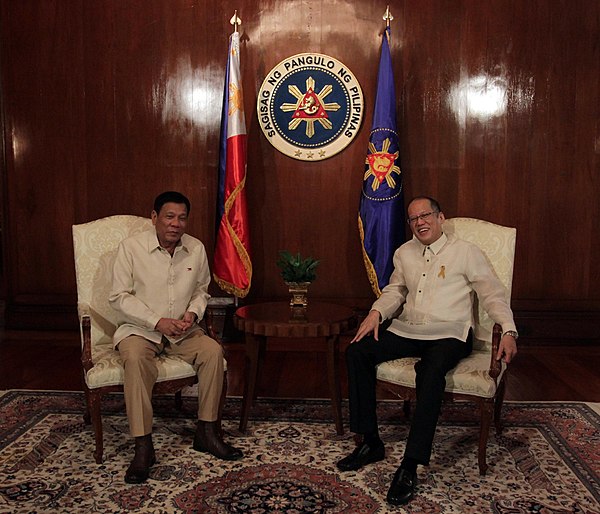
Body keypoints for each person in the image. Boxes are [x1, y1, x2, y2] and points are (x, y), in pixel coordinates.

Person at [337, 196, 518, 505]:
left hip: (449, 333)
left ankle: (410, 464)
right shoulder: (404, 253)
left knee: (431, 371)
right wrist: (376, 313)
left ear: (440, 218)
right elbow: (395, 291)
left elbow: (492, 294)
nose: (420, 222)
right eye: (413, 219)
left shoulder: (466, 253)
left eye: (425, 216)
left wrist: (510, 330)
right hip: (409, 329)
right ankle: (370, 441)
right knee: (357, 352)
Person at [109, 191, 243, 484]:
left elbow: (201, 290)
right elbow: (118, 297)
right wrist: (156, 321)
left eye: (182, 218)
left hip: (183, 331)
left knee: (212, 352)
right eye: (169, 216)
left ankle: (207, 431)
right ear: (154, 217)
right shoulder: (130, 248)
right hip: (140, 329)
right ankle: (143, 446)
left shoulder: (195, 248)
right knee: (134, 359)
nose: (176, 223)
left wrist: (192, 315)